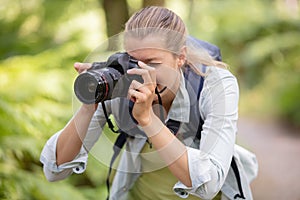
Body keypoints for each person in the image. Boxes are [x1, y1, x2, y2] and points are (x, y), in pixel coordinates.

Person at [40, 6, 258, 200]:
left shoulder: (215, 85)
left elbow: (208, 184)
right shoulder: (122, 78)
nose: (140, 73)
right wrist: (90, 103)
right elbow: (55, 170)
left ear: (180, 57)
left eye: (153, 63)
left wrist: (147, 119)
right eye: (133, 60)